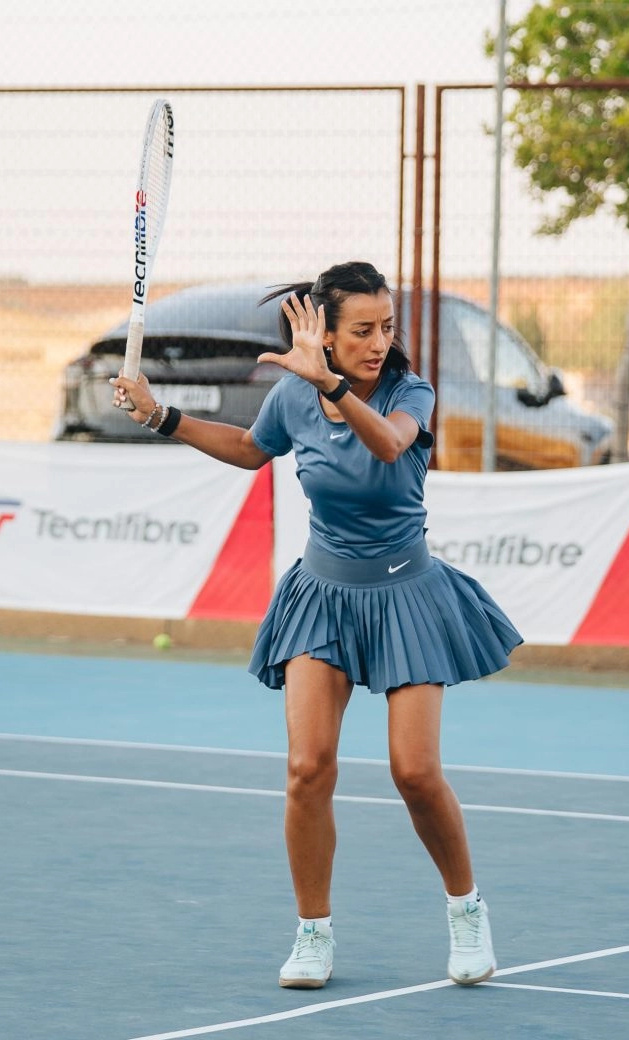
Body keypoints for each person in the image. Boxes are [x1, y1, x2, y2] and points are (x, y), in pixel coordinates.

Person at [111, 260, 522, 991]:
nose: (378, 341)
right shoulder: (294, 398)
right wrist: (159, 414)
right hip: (322, 596)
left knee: (416, 772)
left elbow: (390, 446)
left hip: (406, 595)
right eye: (361, 329)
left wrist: (330, 382)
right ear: (323, 333)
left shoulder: (410, 392)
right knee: (307, 770)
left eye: (386, 327)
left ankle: (467, 911)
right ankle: (313, 933)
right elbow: (247, 449)